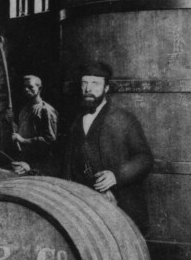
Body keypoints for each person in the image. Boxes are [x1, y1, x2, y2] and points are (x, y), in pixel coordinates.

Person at [14, 61, 153, 231]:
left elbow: (144, 158)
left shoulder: (123, 119)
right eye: (84, 83)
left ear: (106, 88)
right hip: (86, 207)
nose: (88, 89)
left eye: (95, 84)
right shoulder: (77, 121)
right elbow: (62, 161)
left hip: (120, 209)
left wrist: (116, 176)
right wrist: (31, 167)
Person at [10, 75, 58, 173]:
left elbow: (49, 140)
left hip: (40, 165)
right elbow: (21, 132)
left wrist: (23, 140)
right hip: (23, 161)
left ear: (39, 89)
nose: (26, 90)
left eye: (30, 87)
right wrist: (10, 121)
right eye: (24, 87)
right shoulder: (24, 110)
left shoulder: (46, 110)